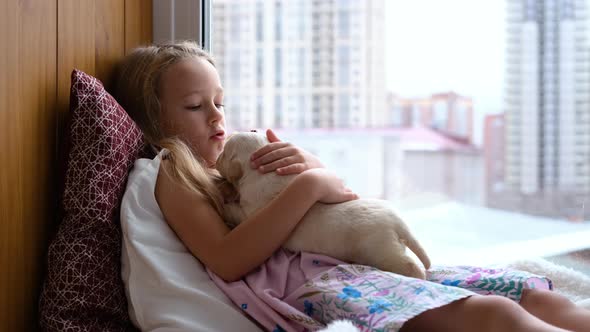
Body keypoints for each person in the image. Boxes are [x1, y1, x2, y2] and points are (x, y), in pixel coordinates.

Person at [114, 41, 590, 332]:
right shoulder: (171, 171)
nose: (218, 116)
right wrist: (310, 186)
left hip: (355, 261)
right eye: (196, 106)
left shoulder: (235, 164)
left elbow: (343, 205)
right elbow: (227, 259)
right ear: (154, 120)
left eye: (220, 101)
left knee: (537, 299)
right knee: (493, 319)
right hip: (319, 284)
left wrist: (309, 168)